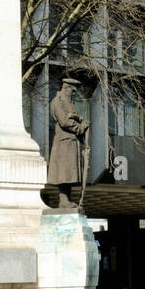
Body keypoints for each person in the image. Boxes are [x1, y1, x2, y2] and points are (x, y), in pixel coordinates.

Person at [47, 78, 89, 209]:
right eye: (72, 90)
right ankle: (63, 201)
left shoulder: (69, 103)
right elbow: (65, 121)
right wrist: (80, 128)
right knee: (64, 173)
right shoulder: (57, 102)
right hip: (63, 143)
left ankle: (67, 200)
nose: (74, 93)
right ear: (65, 88)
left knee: (70, 173)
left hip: (72, 143)